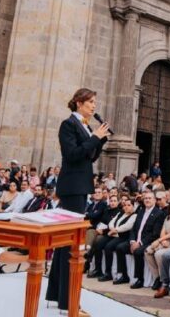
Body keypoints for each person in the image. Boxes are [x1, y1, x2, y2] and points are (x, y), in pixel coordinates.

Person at [45, 88, 111, 317]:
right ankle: (67, 304)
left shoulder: (85, 126)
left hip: (80, 186)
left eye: (94, 102)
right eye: (91, 102)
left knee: (66, 242)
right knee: (71, 244)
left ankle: (56, 296)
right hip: (72, 187)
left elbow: (89, 156)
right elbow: (72, 155)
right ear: (79, 103)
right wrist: (94, 138)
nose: (94, 106)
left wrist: (99, 141)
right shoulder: (68, 125)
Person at [118, 191, 165, 288]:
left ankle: (140, 279)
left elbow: (155, 234)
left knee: (138, 252)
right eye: (146, 198)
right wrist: (132, 241)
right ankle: (124, 275)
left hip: (148, 242)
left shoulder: (159, 213)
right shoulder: (141, 211)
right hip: (135, 241)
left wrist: (140, 243)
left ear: (155, 200)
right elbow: (134, 229)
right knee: (120, 248)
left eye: (149, 198)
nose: (147, 200)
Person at [87, 194, 122, 278]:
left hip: (112, 234)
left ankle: (107, 272)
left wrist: (103, 231)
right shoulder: (107, 210)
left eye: (114, 201)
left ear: (118, 202)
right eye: (111, 201)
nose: (112, 203)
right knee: (96, 241)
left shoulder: (119, 212)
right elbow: (102, 221)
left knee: (103, 245)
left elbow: (114, 226)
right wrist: (99, 228)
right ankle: (98, 270)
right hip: (103, 231)